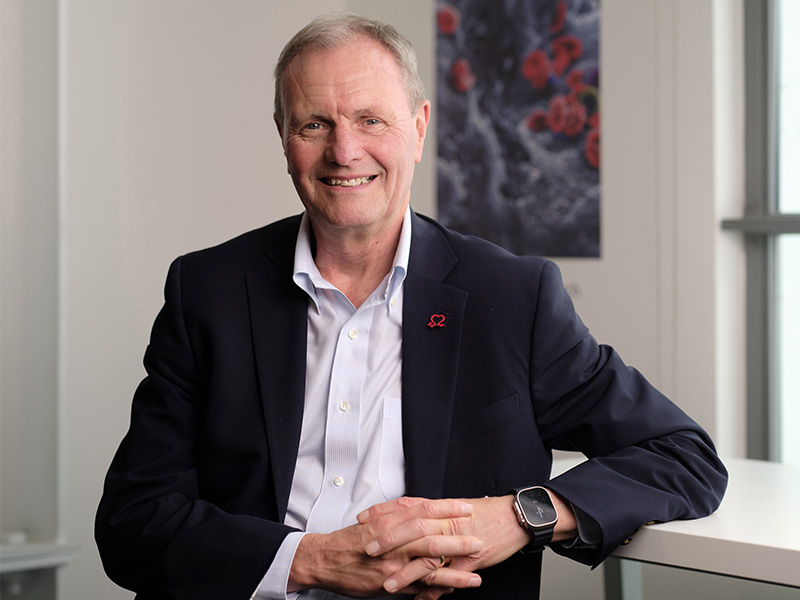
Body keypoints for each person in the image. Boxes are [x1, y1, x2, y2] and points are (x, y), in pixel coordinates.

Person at [95, 13, 727, 600]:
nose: (345, 151)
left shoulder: (511, 298)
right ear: (284, 139)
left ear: (419, 128)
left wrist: (521, 514)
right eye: (315, 123)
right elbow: (133, 521)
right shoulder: (207, 290)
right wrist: (309, 560)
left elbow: (682, 456)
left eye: (372, 120)